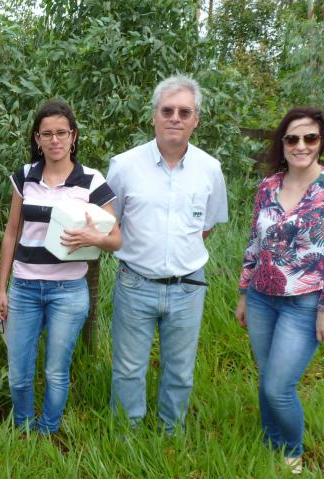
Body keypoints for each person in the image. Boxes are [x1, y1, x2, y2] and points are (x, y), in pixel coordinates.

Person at [234, 107, 324, 474]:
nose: (301, 145)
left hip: (304, 304)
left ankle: (291, 453)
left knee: (279, 386)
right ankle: (269, 442)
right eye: (292, 138)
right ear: (283, 143)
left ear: (321, 142)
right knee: (267, 376)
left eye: (310, 138)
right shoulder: (268, 186)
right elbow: (253, 242)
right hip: (261, 297)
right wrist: (244, 293)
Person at [107, 75, 228, 433]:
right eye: (167, 110)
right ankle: (126, 435)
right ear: (154, 116)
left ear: (196, 120)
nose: (175, 117)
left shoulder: (210, 169)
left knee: (180, 370)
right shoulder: (124, 166)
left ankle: (169, 434)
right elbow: (110, 221)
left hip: (188, 287)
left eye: (184, 111)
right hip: (135, 283)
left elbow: (207, 226)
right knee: (128, 368)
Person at [0, 100, 120, 435]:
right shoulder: (24, 176)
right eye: (46, 134)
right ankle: (22, 428)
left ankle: (48, 430)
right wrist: (1, 288)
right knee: (19, 371)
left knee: (55, 371)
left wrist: (92, 236)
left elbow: (116, 238)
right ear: (37, 139)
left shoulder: (91, 181)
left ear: (73, 136)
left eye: (61, 132)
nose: (55, 140)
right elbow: (11, 234)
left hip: (69, 290)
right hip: (23, 288)